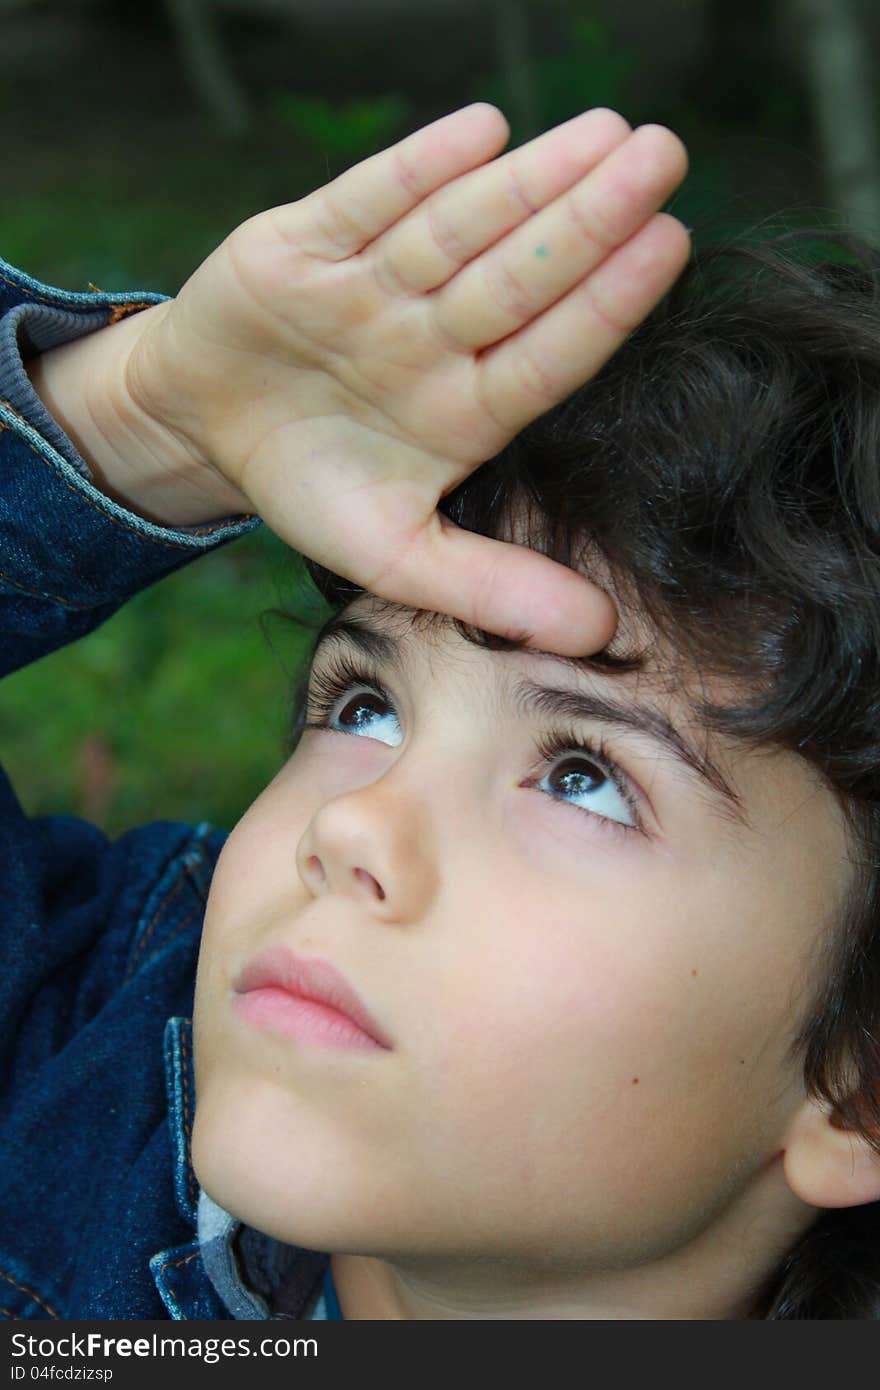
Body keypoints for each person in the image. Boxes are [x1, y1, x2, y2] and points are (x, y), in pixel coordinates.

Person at [0, 101, 878, 1321]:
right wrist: (138, 425)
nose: (352, 829)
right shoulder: (69, 1053)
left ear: (856, 1086)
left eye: (581, 774)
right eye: (362, 705)